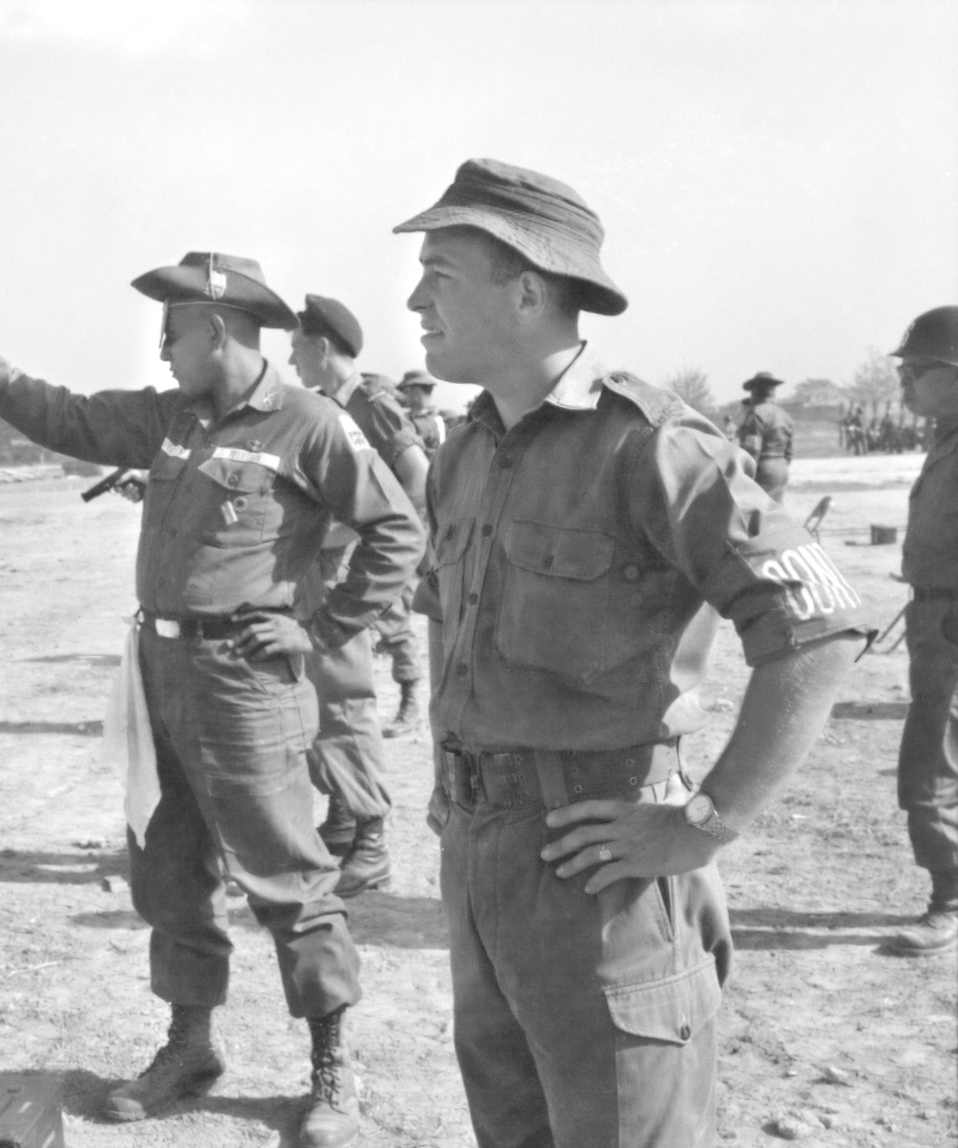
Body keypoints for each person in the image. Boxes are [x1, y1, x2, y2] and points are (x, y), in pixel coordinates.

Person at [394, 157, 867, 1147]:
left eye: (439, 272)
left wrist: (700, 822)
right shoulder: (463, 449)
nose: (412, 297)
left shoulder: (651, 445)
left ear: (526, 289)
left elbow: (818, 624)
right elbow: (442, 608)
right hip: (480, 854)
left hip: (600, 872)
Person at [0, 251, 424, 1147]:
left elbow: (397, 530)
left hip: (246, 684)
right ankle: (190, 1048)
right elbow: (63, 413)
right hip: (161, 675)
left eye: (173, 331)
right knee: (170, 867)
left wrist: (321, 628)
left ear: (217, 330)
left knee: (288, 878)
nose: (162, 349)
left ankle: (328, 1073)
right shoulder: (169, 417)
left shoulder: (308, 423)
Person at [286, 293, 429, 896]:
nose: (291, 362)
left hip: (348, 569)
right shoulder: (325, 406)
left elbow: (417, 481)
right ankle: (344, 822)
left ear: (323, 348)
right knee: (320, 698)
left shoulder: (372, 404)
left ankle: (370, 843)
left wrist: (345, 530)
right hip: (324, 568)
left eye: (297, 350)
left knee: (344, 702)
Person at [886, 305, 958, 957]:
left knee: (932, 759)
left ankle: (948, 901)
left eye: (917, 370)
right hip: (935, 612)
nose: (904, 382)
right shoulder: (945, 435)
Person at [736, 371, 794, 501]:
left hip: (763, 469)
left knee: (755, 510)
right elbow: (789, 452)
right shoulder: (784, 415)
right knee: (774, 510)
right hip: (781, 468)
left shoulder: (757, 414)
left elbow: (752, 448)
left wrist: (745, 475)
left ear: (755, 392)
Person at [399, 370, 448, 455]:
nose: (402, 396)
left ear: (416, 392)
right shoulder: (408, 417)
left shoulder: (433, 422)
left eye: (406, 391)